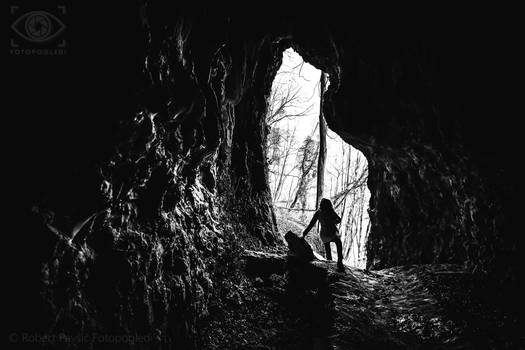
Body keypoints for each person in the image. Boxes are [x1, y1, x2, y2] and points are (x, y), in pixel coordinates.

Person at [302, 198, 344, 270]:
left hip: (324, 234)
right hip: (332, 233)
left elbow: (311, 224)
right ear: (329, 205)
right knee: (338, 242)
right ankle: (339, 262)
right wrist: (334, 221)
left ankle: (330, 263)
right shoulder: (330, 211)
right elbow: (339, 219)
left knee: (328, 249)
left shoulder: (318, 212)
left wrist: (304, 234)